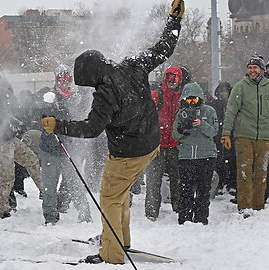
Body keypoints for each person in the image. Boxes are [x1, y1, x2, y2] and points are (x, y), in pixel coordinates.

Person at [41, 0, 184, 264]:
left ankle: (111, 253)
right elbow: (163, 48)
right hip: (151, 143)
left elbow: (91, 129)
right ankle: (119, 237)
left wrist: (58, 125)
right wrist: (174, 21)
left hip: (127, 153)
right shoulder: (132, 65)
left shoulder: (105, 95)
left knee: (109, 198)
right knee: (121, 196)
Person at [0, 62, 42, 219]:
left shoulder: (4, 89)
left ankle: (46, 193)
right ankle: (3, 208)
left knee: (32, 160)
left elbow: (11, 109)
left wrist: (19, 125)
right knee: (6, 175)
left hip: (11, 137)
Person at [38, 66, 92, 225]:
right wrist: (44, 114)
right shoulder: (48, 97)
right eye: (61, 79)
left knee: (75, 184)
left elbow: (82, 119)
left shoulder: (76, 98)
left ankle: (85, 216)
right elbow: (36, 116)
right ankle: (50, 217)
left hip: (70, 149)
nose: (64, 82)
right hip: (50, 149)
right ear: (56, 80)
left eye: (67, 79)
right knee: (49, 186)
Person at [221, 54, 269, 218]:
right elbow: (231, 111)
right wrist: (226, 133)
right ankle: (245, 207)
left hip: (265, 136)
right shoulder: (240, 87)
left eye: (255, 67)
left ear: (262, 70)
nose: (252, 70)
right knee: (244, 173)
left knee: (261, 173)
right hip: (243, 136)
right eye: (250, 68)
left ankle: (258, 206)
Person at [144, 65, 190, 221]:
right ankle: (151, 214)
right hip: (156, 146)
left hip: (176, 146)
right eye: (169, 77)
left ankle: (179, 210)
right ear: (164, 78)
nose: (172, 81)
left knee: (178, 180)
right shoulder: (156, 96)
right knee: (153, 181)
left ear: (180, 80)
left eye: (175, 78)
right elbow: (145, 117)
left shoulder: (184, 98)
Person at [172, 82, 218, 225]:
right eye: (189, 100)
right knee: (186, 189)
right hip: (186, 156)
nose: (192, 103)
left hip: (206, 156)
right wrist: (182, 128)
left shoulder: (209, 111)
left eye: (195, 100)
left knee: (204, 189)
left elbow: (214, 131)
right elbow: (174, 135)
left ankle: (201, 218)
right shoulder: (181, 114)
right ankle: (184, 217)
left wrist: (202, 124)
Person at [211, 82, 237, 200]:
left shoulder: (233, 104)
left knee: (231, 159)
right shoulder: (215, 104)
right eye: (221, 91)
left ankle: (232, 183)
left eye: (225, 91)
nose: (223, 94)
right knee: (219, 160)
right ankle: (221, 183)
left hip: (231, 134)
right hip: (218, 135)